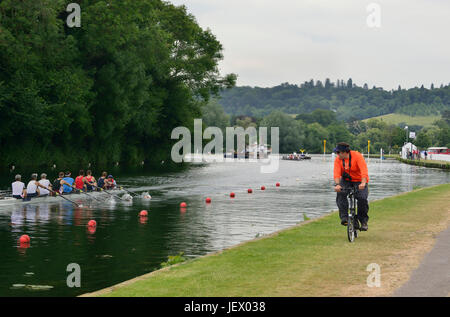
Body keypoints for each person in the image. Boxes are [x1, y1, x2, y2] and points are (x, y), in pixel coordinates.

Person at [333, 142, 370, 231]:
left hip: (359, 180)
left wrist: (363, 183)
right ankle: (344, 217)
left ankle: (363, 221)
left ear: (344, 152)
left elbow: (364, 171)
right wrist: (337, 185)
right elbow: (336, 173)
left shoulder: (357, 156)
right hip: (346, 180)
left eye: (338, 152)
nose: (337, 155)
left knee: (362, 198)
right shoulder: (338, 159)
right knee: (341, 193)